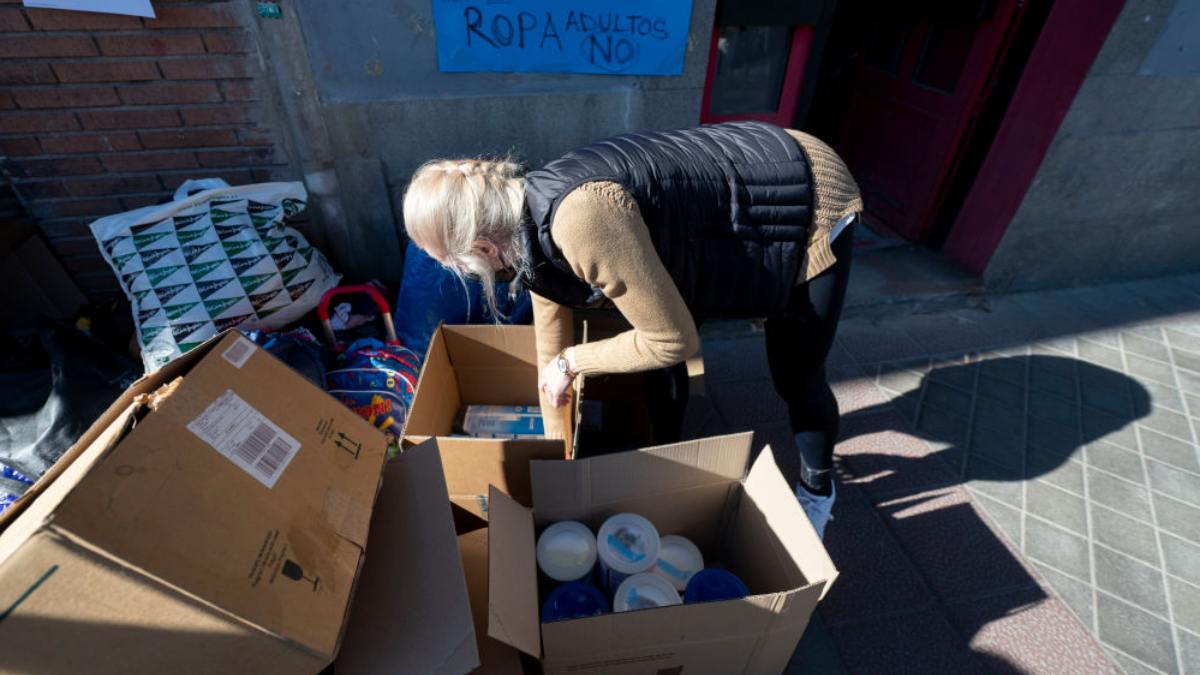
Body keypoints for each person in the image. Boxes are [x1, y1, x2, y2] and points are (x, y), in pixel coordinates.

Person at [402, 121, 861, 538]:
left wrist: (574, 363)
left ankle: (817, 493)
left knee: (795, 375)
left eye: (451, 263)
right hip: (706, 222)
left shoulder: (580, 221)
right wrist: (552, 443)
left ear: (482, 248)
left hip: (802, 195)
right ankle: (668, 461)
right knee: (653, 349)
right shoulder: (523, 221)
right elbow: (551, 332)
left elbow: (672, 342)